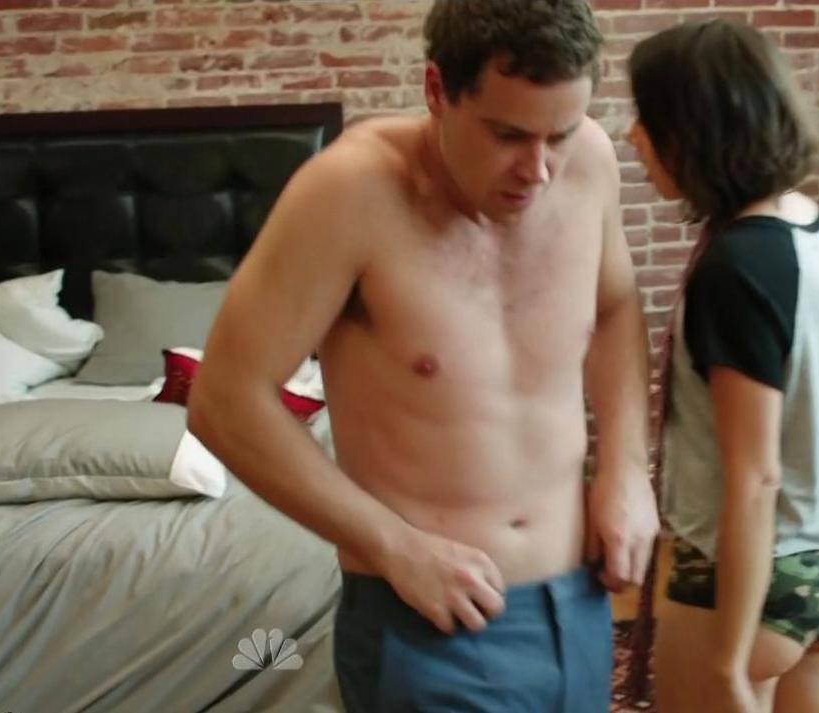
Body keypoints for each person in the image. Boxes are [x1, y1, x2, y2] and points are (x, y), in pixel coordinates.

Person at [187, 1, 659, 711]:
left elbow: (616, 307)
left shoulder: (589, 162)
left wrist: (626, 466)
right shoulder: (348, 193)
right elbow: (225, 400)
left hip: (578, 602)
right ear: (437, 90)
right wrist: (394, 546)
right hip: (430, 619)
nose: (537, 170)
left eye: (559, 134)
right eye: (507, 134)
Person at [624, 19, 819, 713]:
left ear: (692, 133)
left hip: (751, 585)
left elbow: (756, 478)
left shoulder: (738, 266)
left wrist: (726, 662)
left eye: (646, 118)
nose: (632, 136)